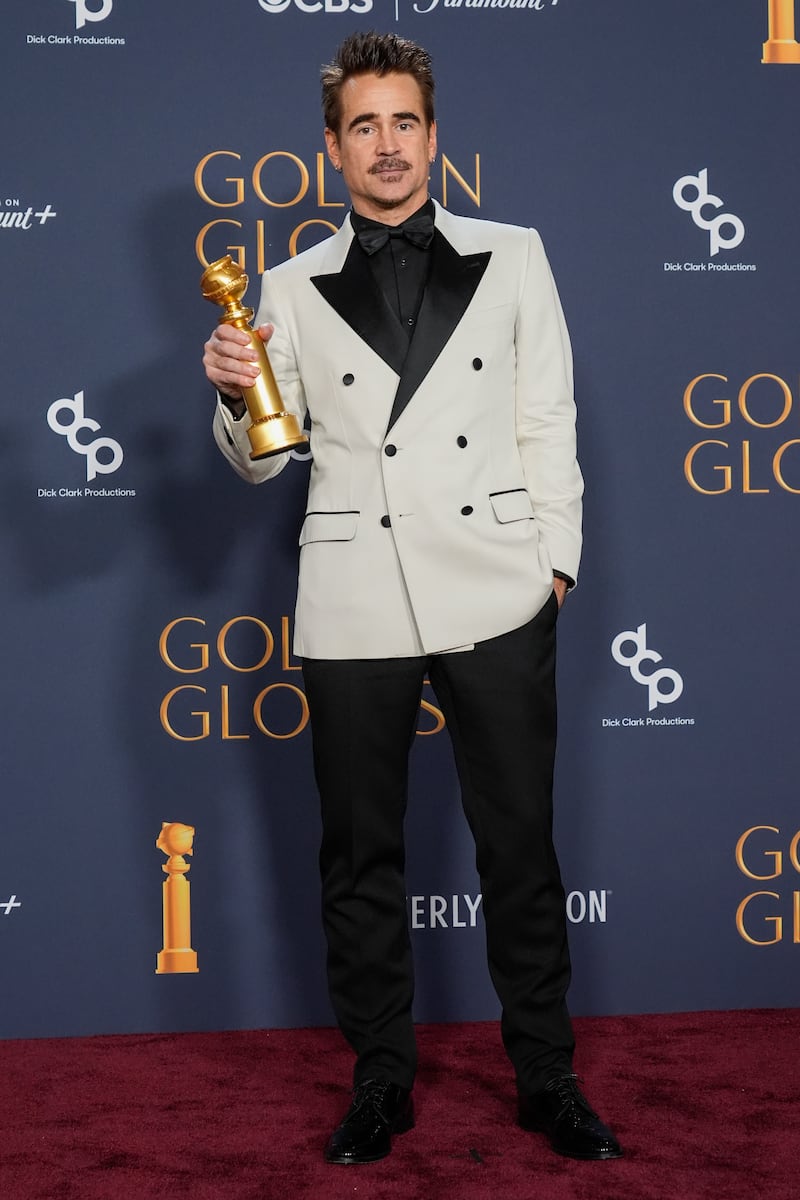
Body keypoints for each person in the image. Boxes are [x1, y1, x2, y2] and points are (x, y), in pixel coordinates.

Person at [203, 31, 621, 1166]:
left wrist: (554, 565)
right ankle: (379, 1082)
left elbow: (547, 420)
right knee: (358, 855)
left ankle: (545, 1077)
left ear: (433, 137)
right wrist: (236, 393)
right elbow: (258, 461)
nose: (385, 147)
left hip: (495, 585)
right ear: (331, 150)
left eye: (403, 124)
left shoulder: (514, 254)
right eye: (362, 128)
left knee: (519, 847)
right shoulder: (280, 290)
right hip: (352, 594)